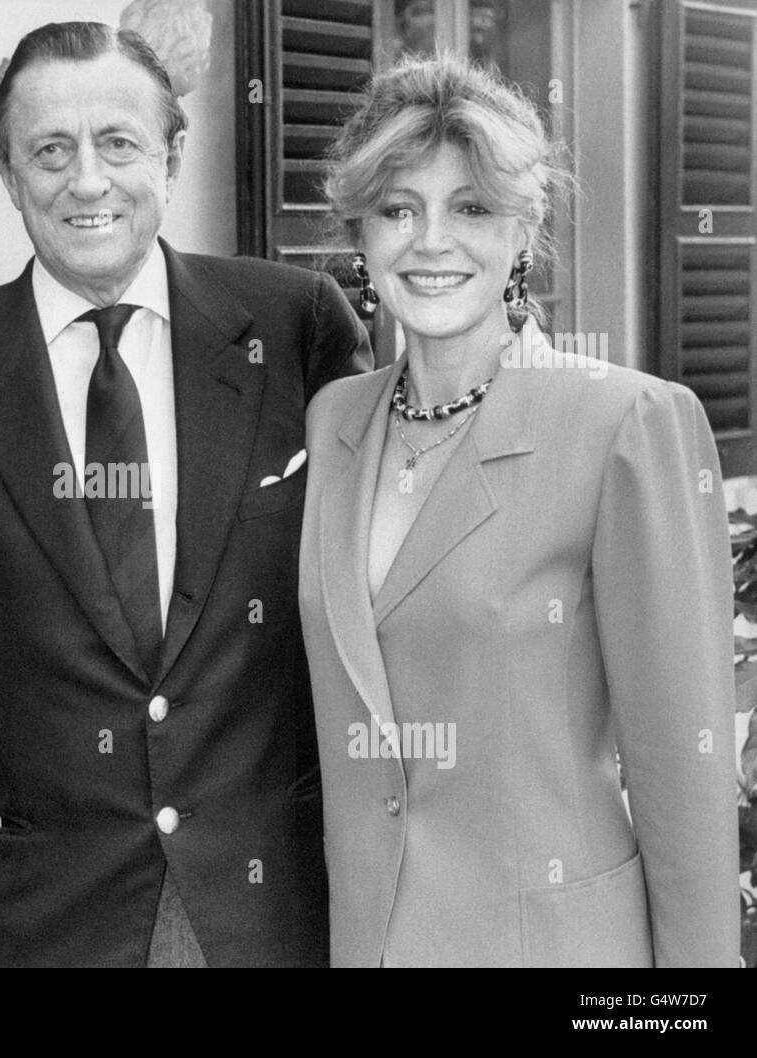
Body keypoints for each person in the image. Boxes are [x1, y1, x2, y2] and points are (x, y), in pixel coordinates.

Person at [0, 21, 371, 967]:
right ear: (7, 171)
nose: (86, 180)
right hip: (35, 906)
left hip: (265, 896)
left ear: (172, 156)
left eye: (119, 143)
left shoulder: (295, 327)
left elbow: (367, 567)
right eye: (49, 150)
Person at [299, 52, 739, 967]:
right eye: (397, 208)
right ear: (361, 235)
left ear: (522, 232)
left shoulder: (627, 422)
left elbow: (681, 766)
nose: (431, 242)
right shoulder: (336, 419)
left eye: (470, 208)